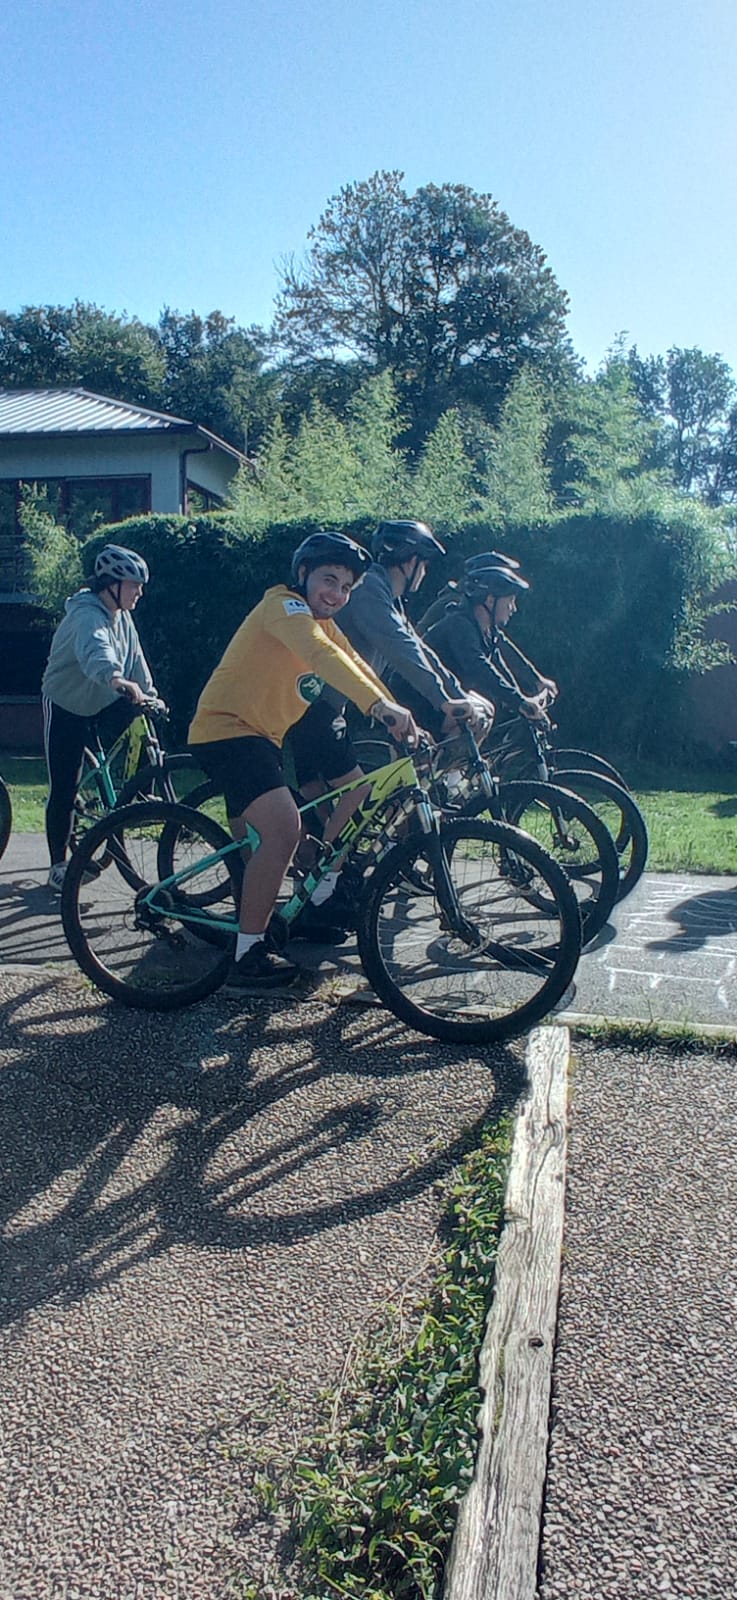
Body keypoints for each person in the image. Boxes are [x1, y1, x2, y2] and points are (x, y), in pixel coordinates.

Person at [187, 531, 417, 993]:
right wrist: (377, 707)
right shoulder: (284, 606)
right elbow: (318, 653)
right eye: (329, 580)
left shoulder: (323, 623)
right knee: (284, 829)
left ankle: (262, 924)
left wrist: (397, 711)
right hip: (227, 731)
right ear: (303, 573)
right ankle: (247, 958)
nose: (337, 594)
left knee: (262, 845)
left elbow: (353, 662)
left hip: (260, 739)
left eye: (346, 587)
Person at [41, 544, 156, 893]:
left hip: (103, 697)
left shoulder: (123, 616)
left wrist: (149, 694)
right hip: (66, 702)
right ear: (111, 585)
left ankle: (138, 795)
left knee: (143, 719)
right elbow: (96, 649)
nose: (139, 592)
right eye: (134, 585)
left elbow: (136, 659)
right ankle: (58, 865)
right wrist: (116, 678)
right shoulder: (86, 614)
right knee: (65, 785)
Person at [318, 519, 494, 742]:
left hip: (331, 707)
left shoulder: (390, 598)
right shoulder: (368, 589)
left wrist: (457, 695)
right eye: (424, 565)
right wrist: (443, 700)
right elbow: (401, 648)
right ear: (411, 562)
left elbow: (421, 651)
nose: (424, 572)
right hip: (312, 705)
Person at [423, 558, 552, 721]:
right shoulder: (460, 625)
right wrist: (519, 702)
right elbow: (478, 666)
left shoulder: (487, 631)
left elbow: (499, 668)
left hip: (440, 701)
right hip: (419, 702)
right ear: (490, 600)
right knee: (480, 714)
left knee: (484, 712)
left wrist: (520, 700)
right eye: (510, 601)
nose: (513, 608)